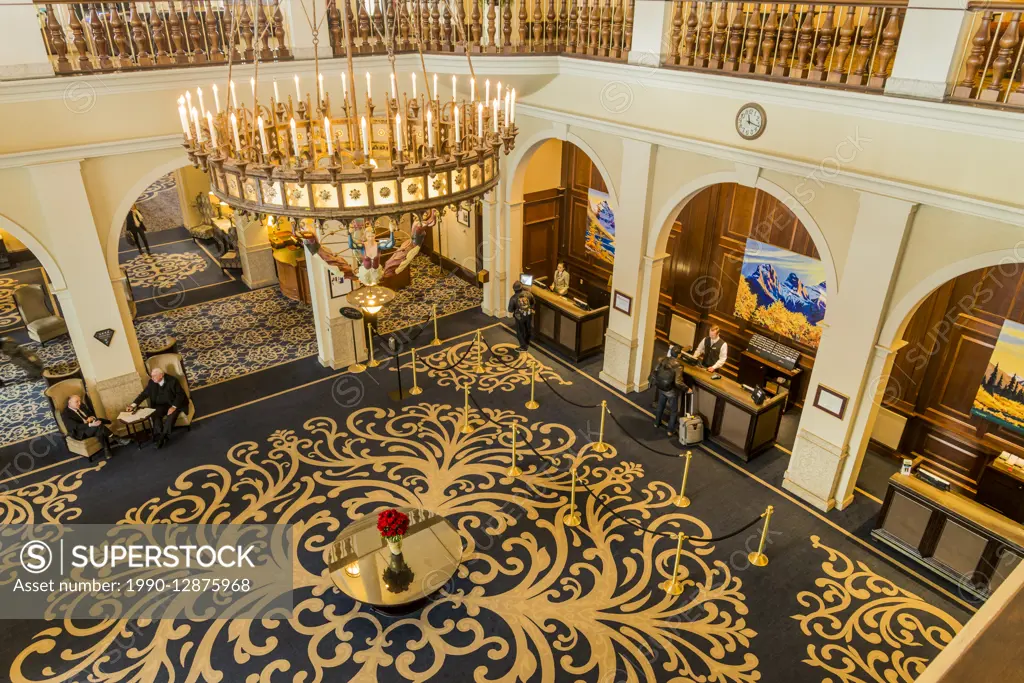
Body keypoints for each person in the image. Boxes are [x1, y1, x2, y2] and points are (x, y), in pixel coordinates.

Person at [128, 368, 189, 448]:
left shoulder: (172, 381)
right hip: (160, 405)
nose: (152, 378)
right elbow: (144, 394)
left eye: (154, 376)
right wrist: (133, 405)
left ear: (162, 375)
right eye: (152, 376)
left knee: (171, 416)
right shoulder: (152, 382)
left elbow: (180, 395)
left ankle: (162, 437)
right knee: (155, 414)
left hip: (173, 404)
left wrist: (174, 407)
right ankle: (161, 434)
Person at [62, 394, 129, 461]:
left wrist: (91, 418)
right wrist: (90, 425)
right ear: (70, 402)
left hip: (90, 425)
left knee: (98, 427)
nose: (79, 403)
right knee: (98, 425)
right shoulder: (66, 414)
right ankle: (116, 438)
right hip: (80, 432)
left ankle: (107, 450)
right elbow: (75, 426)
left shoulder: (81, 406)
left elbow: (91, 414)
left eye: (80, 401)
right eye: (77, 401)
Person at [650, 344, 685, 436]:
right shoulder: (678, 366)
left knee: (660, 406)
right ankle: (670, 430)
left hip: (662, 387)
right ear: (678, 355)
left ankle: (656, 423)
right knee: (673, 411)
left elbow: (656, 370)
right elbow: (678, 382)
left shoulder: (664, 359)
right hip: (671, 391)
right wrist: (687, 389)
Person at [507, 280, 536, 352]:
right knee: (527, 328)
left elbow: (510, 310)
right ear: (521, 287)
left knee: (520, 331)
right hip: (528, 314)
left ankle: (523, 346)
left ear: (514, 289)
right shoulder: (528, 294)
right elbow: (533, 303)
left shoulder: (513, 298)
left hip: (519, 317)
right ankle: (527, 342)